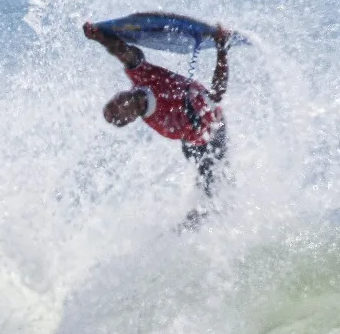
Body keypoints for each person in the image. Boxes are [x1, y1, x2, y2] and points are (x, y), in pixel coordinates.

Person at [83, 20, 232, 202]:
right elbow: (217, 95)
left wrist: (100, 37)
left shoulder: (142, 78)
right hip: (205, 141)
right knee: (213, 189)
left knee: (217, 183)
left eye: (113, 101)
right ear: (130, 118)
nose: (118, 101)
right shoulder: (165, 122)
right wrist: (222, 48)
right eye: (117, 109)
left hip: (198, 127)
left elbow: (126, 54)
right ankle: (191, 225)